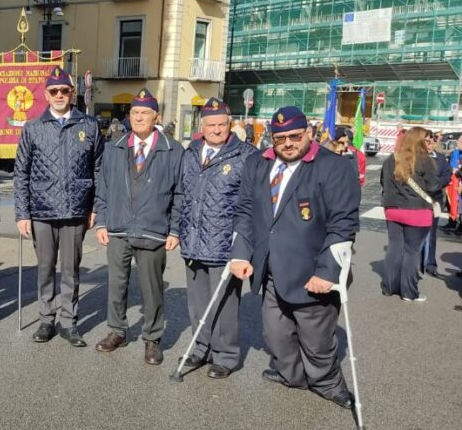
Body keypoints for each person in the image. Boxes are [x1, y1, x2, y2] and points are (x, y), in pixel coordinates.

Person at [230, 106, 360, 410]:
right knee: (275, 335)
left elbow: (343, 224)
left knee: (317, 341)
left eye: (294, 136)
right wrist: (239, 253)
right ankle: (293, 375)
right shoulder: (257, 164)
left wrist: (328, 272)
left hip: (312, 270)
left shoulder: (334, 167)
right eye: (280, 138)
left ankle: (327, 383)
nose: (287, 143)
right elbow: (245, 211)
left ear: (309, 134)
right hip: (271, 270)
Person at [15, 66, 102, 347]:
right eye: (54, 91)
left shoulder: (88, 126)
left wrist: (95, 208)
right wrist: (21, 213)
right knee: (44, 268)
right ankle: (46, 319)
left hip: (76, 209)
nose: (59, 95)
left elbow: (98, 170)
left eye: (64, 90)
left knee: (71, 269)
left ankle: (69, 322)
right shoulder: (33, 127)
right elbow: (21, 173)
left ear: (72, 92)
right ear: (46, 94)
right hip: (41, 210)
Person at [91, 88, 181, 363]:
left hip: (153, 231)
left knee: (152, 288)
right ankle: (117, 330)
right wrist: (102, 222)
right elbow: (103, 187)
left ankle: (152, 339)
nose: (139, 117)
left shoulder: (173, 149)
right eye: (135, 113)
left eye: (145, 112)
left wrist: (175, 229)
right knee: (116, 285)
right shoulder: (114, 147)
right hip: (118, 228)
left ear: (156, 116)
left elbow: (181, 192)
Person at [173, 97, 256, 378]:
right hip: (193, 241)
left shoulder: (246, 155)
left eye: (222, 124)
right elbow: (182, 193)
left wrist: (243, 246)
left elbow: (251, 205)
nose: (217, 129)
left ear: (230, 124)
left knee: (224, 304)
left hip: (224, 244)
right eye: (211, 124)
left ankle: (226, 355)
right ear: (202, 126)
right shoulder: (191, 152)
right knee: (197, 304)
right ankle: (200, 348)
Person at [380, 127, 441, 302]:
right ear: (420, 141)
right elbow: (433, 186)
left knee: (394, 248)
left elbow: (383, 182)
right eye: (427, 140)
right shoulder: (425, 160)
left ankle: (389, 287)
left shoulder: (391, 159)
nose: (429, 143)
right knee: (412, 251)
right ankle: (409, 292)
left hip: (392, 209)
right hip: (417, 211)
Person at [420, 129, 452, 277]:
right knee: (417, 233)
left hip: (435, 201)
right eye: (428, 141)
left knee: (431, 233)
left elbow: (447, 174)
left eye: (433, 141)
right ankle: (416, 261)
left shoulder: (440, 158)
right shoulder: (418, 157)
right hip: (419, 200)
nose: (431, 144)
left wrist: (437, 184)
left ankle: (431, 264)